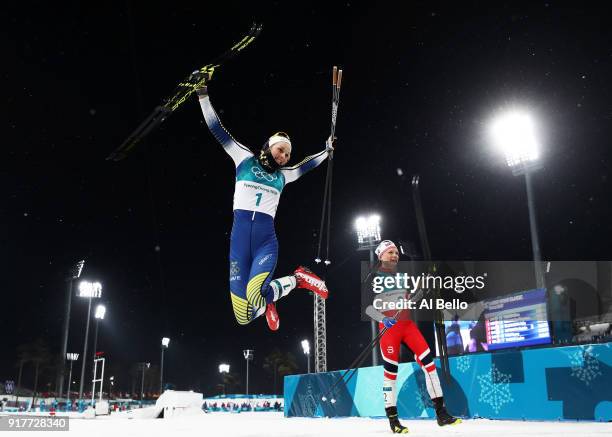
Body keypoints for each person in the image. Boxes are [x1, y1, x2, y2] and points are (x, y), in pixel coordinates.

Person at [196, 79, 331, 330]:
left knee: (256, 293)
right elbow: (217, 128)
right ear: (269, 146)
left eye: (287, 154)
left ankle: (298, 278)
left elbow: (307, 164)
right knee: (243, 316)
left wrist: (326, 151)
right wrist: (202, 94)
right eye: (281, 150)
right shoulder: (244, 160)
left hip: (264, 243)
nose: (284, 157)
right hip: (238, 246)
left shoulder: (284, 175)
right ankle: (271, 301)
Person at [365, 240, 461, 434]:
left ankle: (441, 414)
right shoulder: (373, 277)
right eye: (390, 252)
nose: (394, 255)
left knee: (429, 364)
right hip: (389, 329)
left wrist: (421, 292)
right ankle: (393, 420)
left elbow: (410, 299)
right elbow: (369, 308)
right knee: (391, 374)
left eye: (396, 252)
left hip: (407, 326)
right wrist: (383, 318)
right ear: (381, 256)